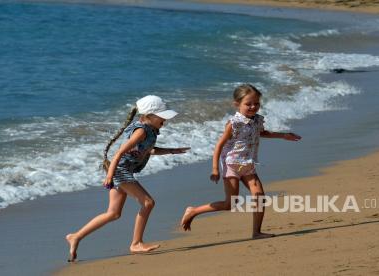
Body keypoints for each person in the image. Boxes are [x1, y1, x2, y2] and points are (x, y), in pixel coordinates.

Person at [66, 95, 189, 262]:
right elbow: (119, 153)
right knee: (148, 203)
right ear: (149, 116)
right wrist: (109, 176)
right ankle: (136, 243)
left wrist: (172, 151)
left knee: (113, 213)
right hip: (120, 170)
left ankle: (76, 237)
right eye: (162, 117)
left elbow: (148, 150)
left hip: (121, 170)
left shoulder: (150, 130)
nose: (164, 121)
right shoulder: (141, 131)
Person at [180, 84, 301, 239]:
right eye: (248, 104)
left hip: (248, 164)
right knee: (230, 204)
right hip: (232, 165)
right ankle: (194, 211)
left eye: (256, 103)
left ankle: (256, 232)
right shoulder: (233, 123)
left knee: (259, 197)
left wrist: (283, 135)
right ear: (237, 104)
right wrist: (215, 169)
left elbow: (262, 133)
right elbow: (219, 146)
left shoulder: (257, 120)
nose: (253, 107)